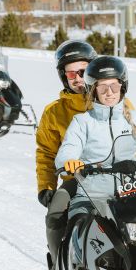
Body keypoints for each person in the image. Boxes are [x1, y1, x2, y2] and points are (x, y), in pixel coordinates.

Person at [45, 54, 136, 270]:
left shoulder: (133, 118)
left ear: (123, 87)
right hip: (92, 191)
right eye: (102, 87)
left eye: (114, 86)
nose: (109, 92)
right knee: (78, 227)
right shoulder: (83, 122)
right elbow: (67, 149)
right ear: (93, 90)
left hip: (131, 189)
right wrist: (69, 161)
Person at [35, 39, 96, 209]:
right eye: (71, 74)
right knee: (56, 214)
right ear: (64, 76)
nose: (77, 78)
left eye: (83, 72)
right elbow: (46, 153)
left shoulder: (115, 102)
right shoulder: (54, 112)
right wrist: (46, 186)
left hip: (117, 179)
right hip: (76, 182)